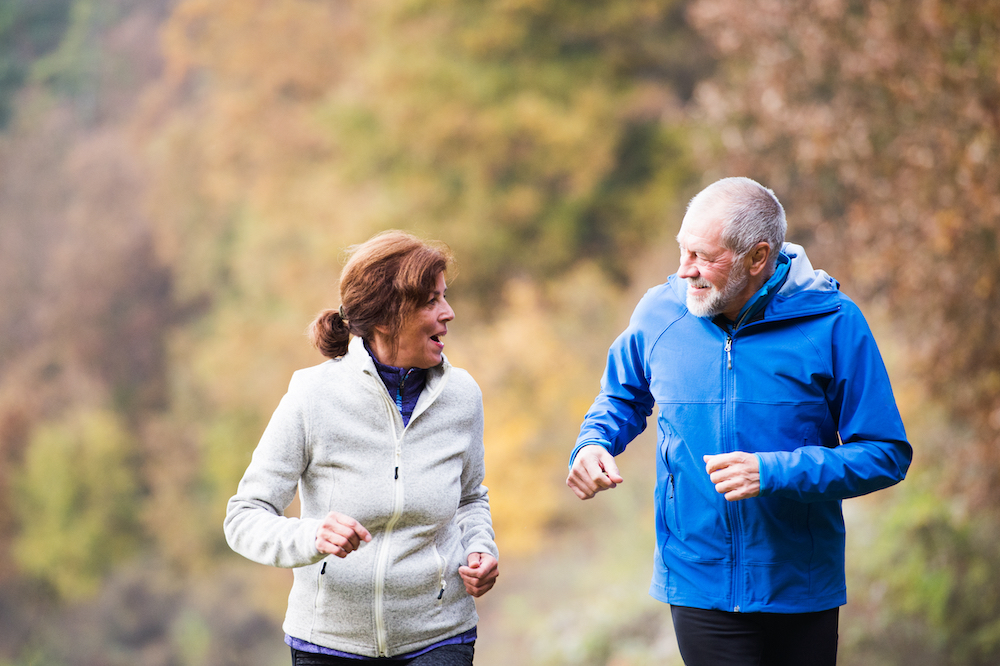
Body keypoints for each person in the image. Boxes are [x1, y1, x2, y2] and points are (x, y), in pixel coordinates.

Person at [566, 177, 911, 666]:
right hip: (697, 579)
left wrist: (773, 472)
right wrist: (593, 442)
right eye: (682, 252)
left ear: (757, 257)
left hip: (800, 585)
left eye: (703, 257)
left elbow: (885, 452)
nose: (685, 272)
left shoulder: (835, 323)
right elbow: (621, 397)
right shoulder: (659, 313)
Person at [225, 230, 499, 666]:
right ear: (386, 317)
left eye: (444, 297)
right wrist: (312, 536)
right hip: (329, 643)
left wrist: (480, 549)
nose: (448, 313)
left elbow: (470, 499)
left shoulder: (462, 396)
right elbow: (244, 518)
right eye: (431, 301)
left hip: (440, 635)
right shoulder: (312, 395)